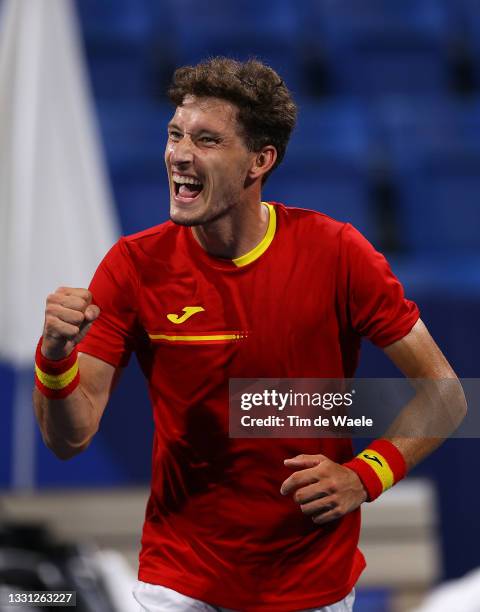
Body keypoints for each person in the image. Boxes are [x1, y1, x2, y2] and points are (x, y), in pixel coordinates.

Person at [33, 57, 466, 612]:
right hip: (178, 584)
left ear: (259, 161)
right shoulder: (132, 266)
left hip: (313, 588)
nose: (180, 155)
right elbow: (69, 439)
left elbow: (447, 394)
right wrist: (54, 359)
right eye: (175, 135)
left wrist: (366, 475)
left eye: (207, 139)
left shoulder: (337, 253)